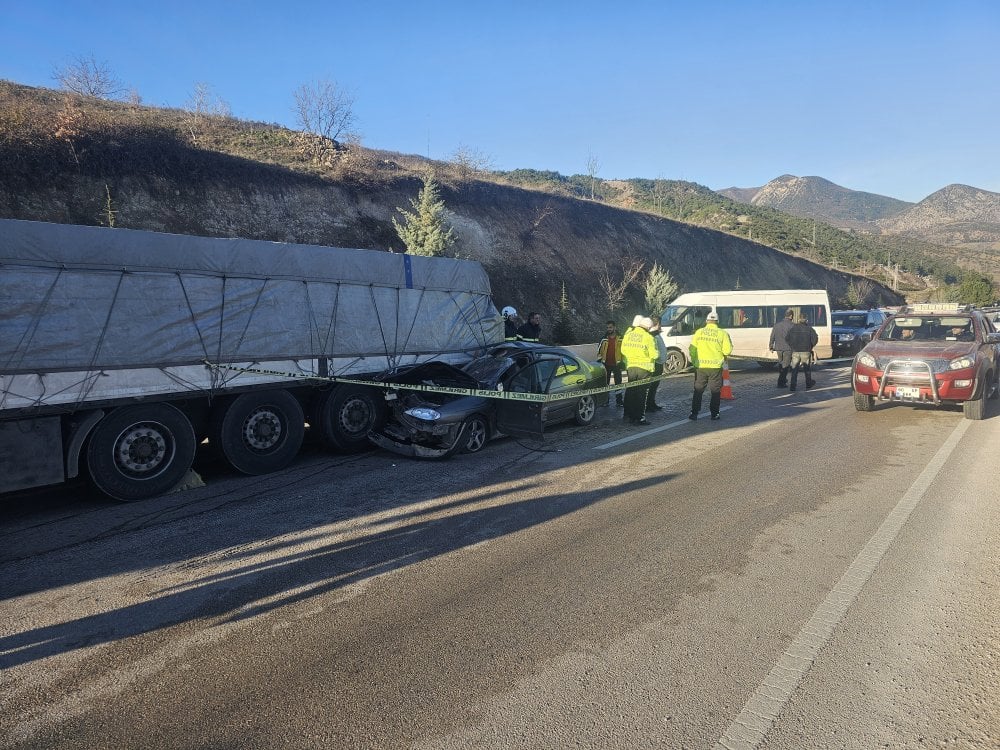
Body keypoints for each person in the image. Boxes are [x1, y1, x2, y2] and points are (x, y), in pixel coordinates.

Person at [688, 311, 733, 421]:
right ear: (717, 322)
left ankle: (694, 413)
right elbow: (727, 351)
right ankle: (714, 414)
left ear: (707, 321)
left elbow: (692, 349)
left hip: (701, 367)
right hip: (715, 367)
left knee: (698, 390)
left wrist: (695, 362)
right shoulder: (723, 333)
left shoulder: (699, 332)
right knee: (715, 391)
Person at [620, 315, 657, 425]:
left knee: (631, 391)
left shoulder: (628, 335)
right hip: (644, 369)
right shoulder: (648, 337)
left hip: (631, 366)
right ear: (649, 327)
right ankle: (640, 417)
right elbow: (654, 354)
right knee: (641, 394)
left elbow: (623, 350)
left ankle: (630, 416)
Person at [786, 313, 818, 391]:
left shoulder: (793, 328)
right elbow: (815, 339)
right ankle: (808, 384)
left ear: (799, 319)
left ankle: (793, 386)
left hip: (795, 351)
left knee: (794, 369)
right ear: (806, 320)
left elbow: (787, 338)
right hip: (806, 351)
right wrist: (810, 346)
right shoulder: (810, 328)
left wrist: (792, 346)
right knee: (807, 369)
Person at [596, 320, 625, 407]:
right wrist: (601, 360)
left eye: (610, 327)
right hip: (606, 365)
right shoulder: (604, 339)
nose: (609, 329)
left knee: (618, 384)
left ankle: (619, 401)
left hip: (617, 365)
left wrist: (623, 362)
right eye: (607, 327)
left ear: (615, 327)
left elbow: (625, 351)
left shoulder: (621, 338)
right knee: (606, 384)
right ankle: (605, 401)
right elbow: (599, 350)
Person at [769, 309, 795, 388]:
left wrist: (771, 346)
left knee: (781, 364)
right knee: (786, 366)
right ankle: (781, 382)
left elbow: (772, 336)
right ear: (791, 316)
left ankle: (783, 379)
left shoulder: (777, 325)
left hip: (779, 348)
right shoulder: (793, 325)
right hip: (788, 348)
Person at [645, 319, 667, 411]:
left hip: (659, 363)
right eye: (659, 324)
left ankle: (652, 402)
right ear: (656, 324)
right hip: (655, 364)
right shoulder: (652, 335)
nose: (660, 326)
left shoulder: (656, 334)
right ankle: (649, 404)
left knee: (654, 386)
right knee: (652, 386)